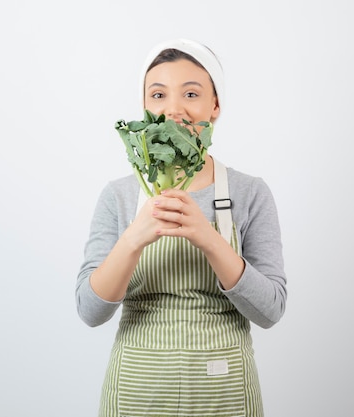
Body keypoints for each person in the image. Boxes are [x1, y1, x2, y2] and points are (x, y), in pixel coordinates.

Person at [76, 38, 287, 417]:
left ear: (215, 106)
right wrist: (134, 238)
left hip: (225, 392)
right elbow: (90, 312)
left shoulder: (249, 192)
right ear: (145, 108)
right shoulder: (119, 196)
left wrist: (209, 239)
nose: (173, 109)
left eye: (191, 93)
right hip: (138, 392)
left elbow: (270, 310)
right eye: (158, 95)